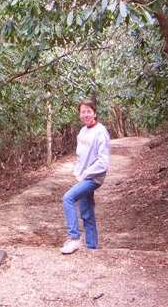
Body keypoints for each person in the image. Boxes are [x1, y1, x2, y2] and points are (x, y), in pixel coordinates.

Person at [60, 99, 110, 254]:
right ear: (80, 114)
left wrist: (86, 173)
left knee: (68, 198)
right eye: (83, 112)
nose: (86, 114)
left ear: (94, 113)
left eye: (89, 111)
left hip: (94, 178)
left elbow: (103, 161)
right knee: (86, 212)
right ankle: (92, 247)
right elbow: (80, 156)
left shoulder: (101, 131)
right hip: (83, 177)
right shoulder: (82, 132)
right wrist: (77, 172)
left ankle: (74, 238)